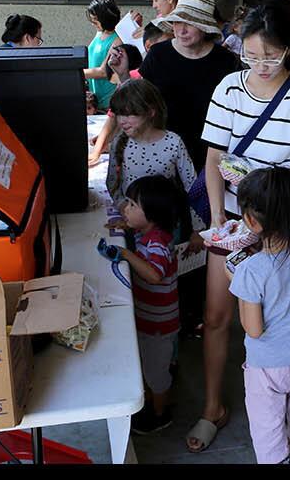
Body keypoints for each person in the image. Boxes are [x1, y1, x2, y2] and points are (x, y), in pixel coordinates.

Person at [189, 3, 290, 453]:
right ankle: (213, 406)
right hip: (232, 219)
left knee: (279, 317)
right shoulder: (229, 89)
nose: (261, 66)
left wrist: (276, 181)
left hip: (279, 222)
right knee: (216, 316)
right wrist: (217, 219)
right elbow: (214, 158)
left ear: (288, 49)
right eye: (251, 56)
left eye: (270, 56)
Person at [225, 168, 290, 464]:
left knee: (268, 431)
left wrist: (238, 285)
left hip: (266, 368)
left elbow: (254, 329)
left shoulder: (250, 270)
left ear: (250, 221)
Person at [99, 175, 186, 434]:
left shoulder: (157, 242)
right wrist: (125, 228)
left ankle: (161, 413)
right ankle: (154, 396)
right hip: (151, 319)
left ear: (153, 215)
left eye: (133, 205)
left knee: (155, 373)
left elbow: (154, 274)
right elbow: (139, 236)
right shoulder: (147, 233)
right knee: (151, 365)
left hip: (158, 324)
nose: (126, 208)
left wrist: (125, 254)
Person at [139, 0, 241, 171]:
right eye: (177, 21)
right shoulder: (158, 55)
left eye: (190, 23)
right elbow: (140, 99)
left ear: (205, 27)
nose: (181, 29)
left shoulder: (227, 61)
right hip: (162, 152)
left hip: (211, 155)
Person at [104, 79, 198, 211]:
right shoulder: (119, 142)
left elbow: (192, 185)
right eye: (119, 114)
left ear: (150, 112)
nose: (122, 121)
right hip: (132, 222)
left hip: (166, 221)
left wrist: (194, 224)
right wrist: (124, 207)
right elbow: (112, 181)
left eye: (129, 114)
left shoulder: (173, 142)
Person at [82, 0, 122, 109]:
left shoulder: (117, 39)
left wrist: (77, 73)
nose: (93, 24)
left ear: (105, 18)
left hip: (108, 101)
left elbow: (104, 72)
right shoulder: (99, 33)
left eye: (95, 21)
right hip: (94, 99)